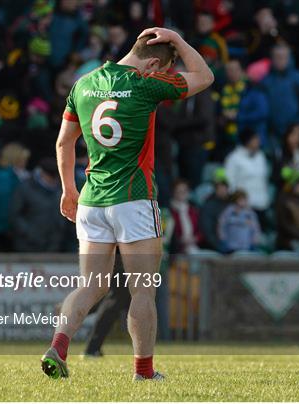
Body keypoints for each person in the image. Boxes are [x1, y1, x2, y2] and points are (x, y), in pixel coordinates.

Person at [42, 27, 213, 381]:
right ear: (153, 63)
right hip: (133, 199)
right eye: (164, 69)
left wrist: (68, 190)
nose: (164, 76)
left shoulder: (83, 84)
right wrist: (180, 42)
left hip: (91, 199)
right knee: (143, 287)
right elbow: (204, 76)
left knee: (90, 285)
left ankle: (58, 346)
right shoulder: (146, 84)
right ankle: (143, 372)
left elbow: (63, 143)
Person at [261, 43, 299, 141]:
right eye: (277, 57)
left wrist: (298, 123)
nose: (280, 60)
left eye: (283, 57)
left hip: (297, 132)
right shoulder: (266, 81)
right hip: (273, 134)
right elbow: (262, 108)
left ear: (290, 58)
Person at [9, 157, 65, 252]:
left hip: (53, 245)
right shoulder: (25, 188)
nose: (53, 180)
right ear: (42, 173)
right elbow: (14, 214)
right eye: (50, 176)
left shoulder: (60, 189)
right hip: (28, 244)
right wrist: (28, 232)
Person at [0, 143, 30, 251]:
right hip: (1, 228)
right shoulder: (4, 178)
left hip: (0, 226)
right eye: (22, 160)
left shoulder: (8, 175)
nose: (25, 163)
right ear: (14, 160)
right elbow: (4, 204)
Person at [224, 128, 271, 229]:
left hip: (262, 204)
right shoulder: (233, 158)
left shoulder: (261, 156)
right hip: (243, 206)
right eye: (255, 139)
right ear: (247, 141)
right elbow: (230, 181)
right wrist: (237, 201)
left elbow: (264, 179)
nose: (258, 142)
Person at [199, 168, 230, 252]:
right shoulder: (208, 205)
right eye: (220, 188)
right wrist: (219, 246)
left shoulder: (232, 204)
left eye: (225, 188)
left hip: (232, 244)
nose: (223, 190)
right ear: (215, 189)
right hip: (216, 246)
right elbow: (207, 230)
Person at [170, 179, 202, 254]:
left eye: (184, 191)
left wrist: (195, 238)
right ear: (173, 193)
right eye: (179, 191)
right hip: (176, 250)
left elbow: (201, 231)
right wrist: (180, 241)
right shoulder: (170, 211)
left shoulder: (193, 210)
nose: (182, 193)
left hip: (194, 247)